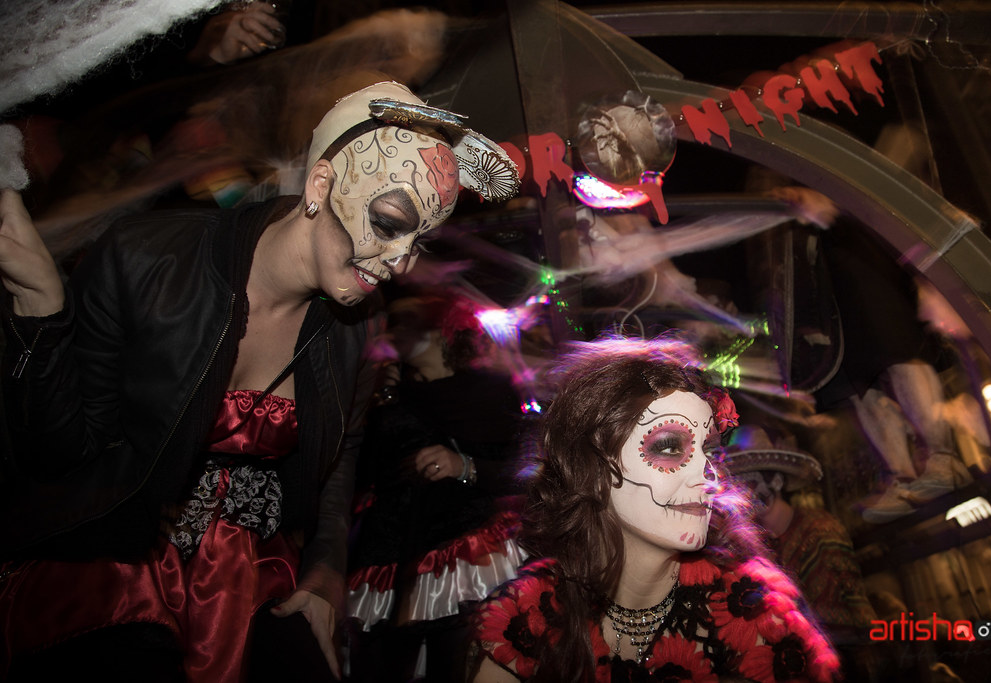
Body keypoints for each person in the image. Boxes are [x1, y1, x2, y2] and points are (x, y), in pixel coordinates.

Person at [0, 79, 518, 681]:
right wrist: (41, 308)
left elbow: (341, 454)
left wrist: (325, 575)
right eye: (389, 220)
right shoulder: (145, 258)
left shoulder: (359, 319)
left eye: (419, 240)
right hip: (120, 564)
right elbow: (60, 452)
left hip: (252, 575)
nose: (402, 260)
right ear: (321, 184)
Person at [468, 337, 839, 682]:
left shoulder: (754, 612)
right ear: (592, 469)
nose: (707, 474)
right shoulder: (529, 614)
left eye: (708, 451)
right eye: (668, 447)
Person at [346, 292, 527, 681]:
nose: (394, 332)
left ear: (444, 332)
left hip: (461, 554)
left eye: (408, 322)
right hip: (387, 556)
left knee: (458, 667)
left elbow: (525, 469)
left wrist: (465, 466)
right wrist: (379, 395)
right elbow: (356, 471)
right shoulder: (390, 395)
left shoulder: (487, 391)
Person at [722, 425, 878, 681]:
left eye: (750, 480)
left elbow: (842, 621)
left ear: (777, 481)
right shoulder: (753, 549)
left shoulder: (820, 530)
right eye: (737, 482)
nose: (742, 493)